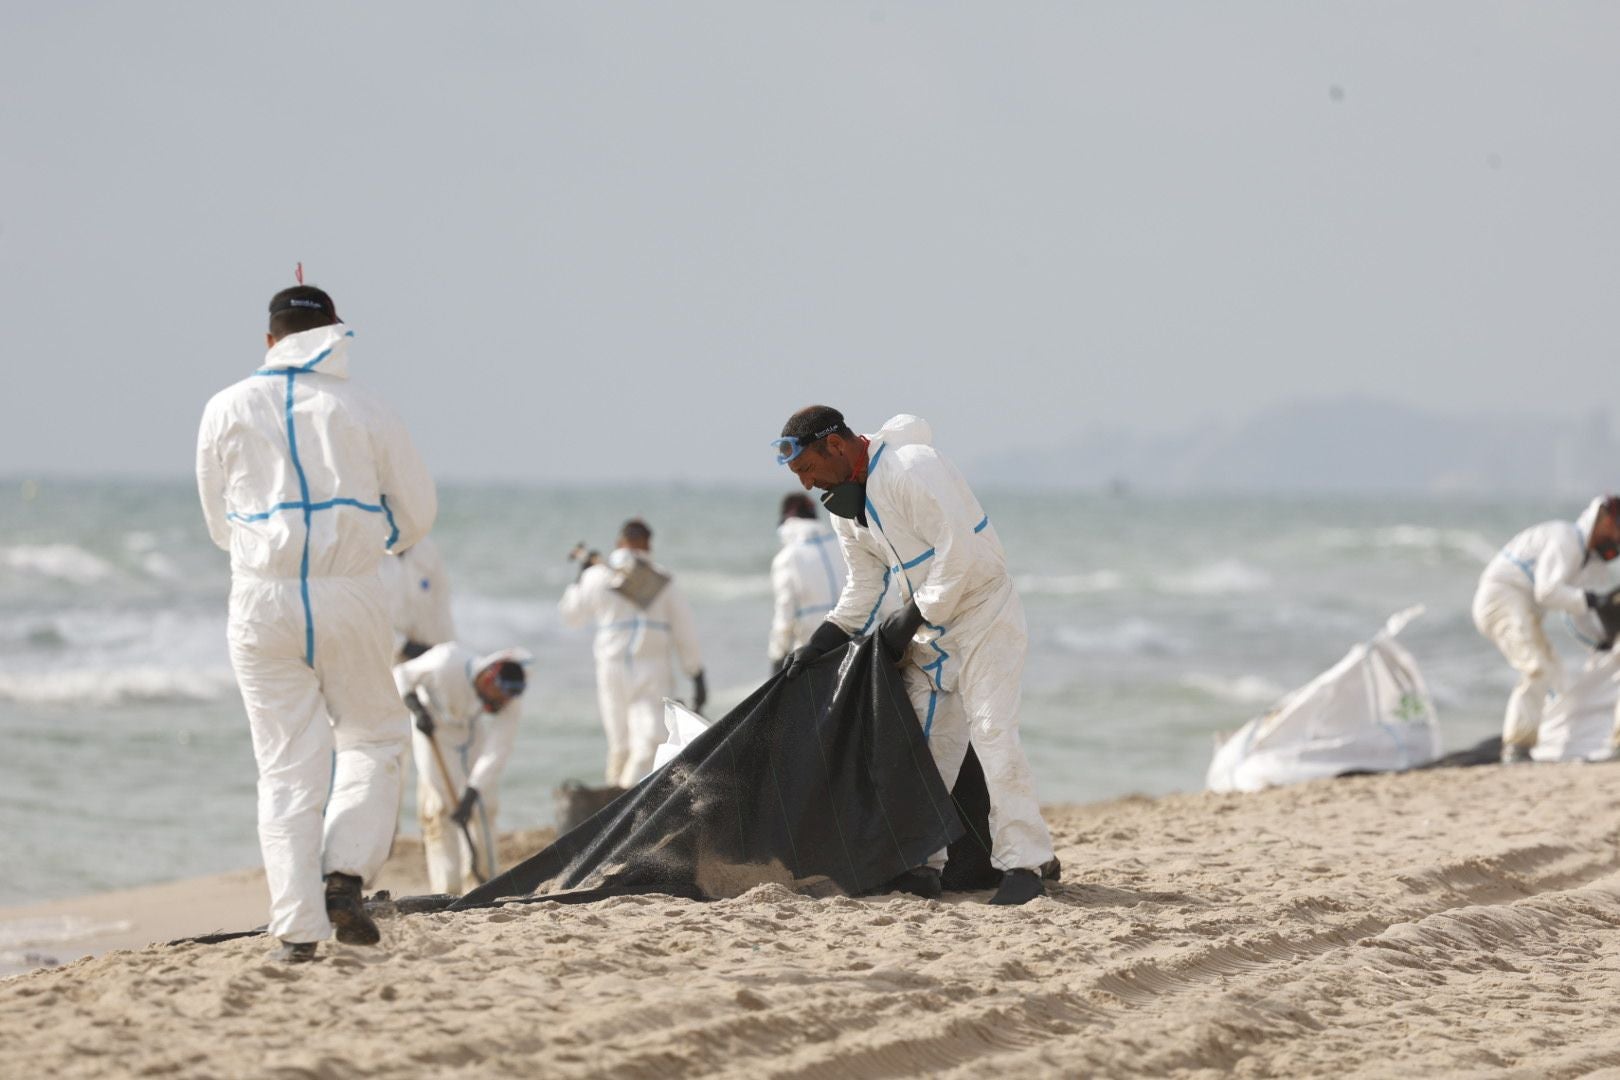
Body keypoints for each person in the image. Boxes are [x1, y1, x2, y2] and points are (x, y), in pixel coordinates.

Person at [196, 283, 436, 962]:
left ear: (270, 341)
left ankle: (297, 930)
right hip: (348, 590)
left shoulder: (224, 407)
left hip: (260, 597)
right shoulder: (366, 407)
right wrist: (370, 539)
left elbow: (218, 523)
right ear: (335, 334)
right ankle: (345, 874)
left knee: (285, 768)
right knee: (374, 736)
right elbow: (417, 512)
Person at [773, 406, 1054, 906]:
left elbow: (959, 554)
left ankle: (1025, 865)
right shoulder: (847, 509)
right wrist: (822, 640)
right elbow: (863, 586)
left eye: (809, 470)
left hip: (984, 612)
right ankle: (922, 864)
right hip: (931, 630)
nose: (811, 485)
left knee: (992, 734)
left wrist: (911, 617)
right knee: (922, 748)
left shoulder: (912, 467)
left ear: (835, 446)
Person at [559, 519, 706, 788]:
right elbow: (685, 630)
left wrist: (578, 580)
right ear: (648, 544)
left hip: (612, 668)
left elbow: (570, 616)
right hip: (649, 669)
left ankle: (617, 795)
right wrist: (695, 672)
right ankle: (623, 798)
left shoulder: (598, 576)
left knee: (620, 743)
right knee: (647, 741)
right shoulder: (662, 580)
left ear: (619, 543)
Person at [1473, 496, 1620, 763]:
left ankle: (1544, 740)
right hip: (1501, 597)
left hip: (1525, 608)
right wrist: (1595, 601)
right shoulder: (1565, 538)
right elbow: (1548, 592)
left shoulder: (1591, 565)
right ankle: (1517, 749)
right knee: (1537, 667)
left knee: (1555, 674)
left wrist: (1603, 642)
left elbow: (1578, 616)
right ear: (1607, 520)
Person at [395, 645, 529, 894]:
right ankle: (447, 888)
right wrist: (415, 707)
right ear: (489, 679)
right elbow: (402, 674)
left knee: (483, 806)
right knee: (440, 808)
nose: (504, 704)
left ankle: (485, 882)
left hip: (469, 730)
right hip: (431, 728)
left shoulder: (510, 699)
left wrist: (472, 791)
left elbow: (498, 749)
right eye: (500, 697)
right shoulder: (446, 661)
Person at [767, 493, 849, 672]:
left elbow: (784, 615)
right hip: (853, 653)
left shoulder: (787, 558)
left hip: (808, 658)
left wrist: (777, 658)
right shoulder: (845, 545)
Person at [379, 534, 457, 661]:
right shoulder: (369, 552)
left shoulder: (427, 547)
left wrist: (448, 650)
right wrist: (404, 646)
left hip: (429, 653)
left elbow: (442, 606)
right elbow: (363, 617)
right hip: (388, 658)